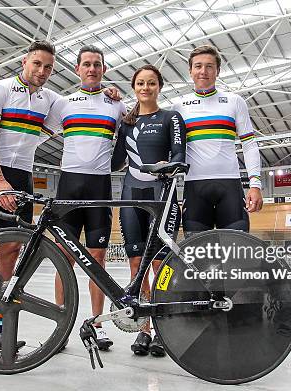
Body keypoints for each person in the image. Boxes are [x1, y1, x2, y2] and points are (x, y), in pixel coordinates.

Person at [0, 41, 120, 363]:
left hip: (22, 176)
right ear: (25, 61)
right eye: (37, 64)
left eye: (48, 67)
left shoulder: (54, 101)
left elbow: (85, 110)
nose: (42, 71)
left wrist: (111, 93)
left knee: (10, 252)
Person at [43, 46, 126, 351]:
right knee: (63, 260)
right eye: (86, 64)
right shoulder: (63, 104)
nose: (92, 69)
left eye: (97, 65)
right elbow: (37, 135)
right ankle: (60, 326)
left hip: (100, 187)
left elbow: (131, 136)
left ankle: (97, 324)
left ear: (104, 69)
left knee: (97, 261)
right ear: (77, 69)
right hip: (68, 187)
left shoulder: (116, 104)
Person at [111, 64, 186, 357]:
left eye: (151, 83)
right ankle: (143, 329)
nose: (145, 88)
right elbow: (116, 161)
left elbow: (180, 154)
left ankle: (162, 330)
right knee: (136, 266)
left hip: (161, 197)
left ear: (159, 86)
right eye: (140, 83)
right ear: (134, 87)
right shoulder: (126, 122)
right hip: (131, 197)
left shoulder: (171, 117)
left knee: (160, 267)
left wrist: (164, 168)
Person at [171, 45, 263, 235]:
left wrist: (255, 184)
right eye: (198, 66)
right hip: (194, 187)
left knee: (235, 255)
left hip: (230, 185)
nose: (203, 71)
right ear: (190, 71)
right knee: (196, 259)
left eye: (209, 66)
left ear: (218, 71)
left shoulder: (234, 101)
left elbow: (249, 144)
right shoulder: (178, 106)